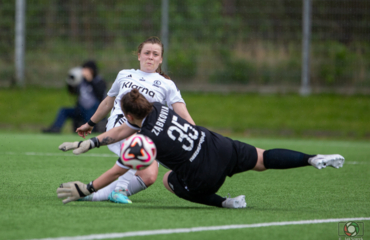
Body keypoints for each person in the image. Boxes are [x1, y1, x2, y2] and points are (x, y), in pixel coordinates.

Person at [57, 89, 345, 208]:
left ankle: (225, 202)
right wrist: (94, 141)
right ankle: (311, 158)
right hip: (218, 146)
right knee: (262, 157)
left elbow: (117, 169)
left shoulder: (143, 141)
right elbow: (125, 128)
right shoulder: (158, 106)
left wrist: (88, 188)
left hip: (202, 173)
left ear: (131, 115)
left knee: (169, 181)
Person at [73, 36, 195, 204]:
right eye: (146, 53)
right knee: (140, 151)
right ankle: (119, 190)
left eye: (155, 54)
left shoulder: (167, 84)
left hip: (145, 132)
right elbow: (108, 101)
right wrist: (90, 123)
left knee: (150, 175)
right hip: (120, 127)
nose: (150, 57)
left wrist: (199, 139)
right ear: (139, 55)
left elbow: (183, 114)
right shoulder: (125, 74)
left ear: (160, 59)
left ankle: (91, 194)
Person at [42, 60, 107, 133]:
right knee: (63, 111)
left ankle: (92, 130)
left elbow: (100, 95)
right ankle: (55, 128)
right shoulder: (82, 80)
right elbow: (72, 93)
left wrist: (90, 80)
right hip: (81, 109)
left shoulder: (99, 81)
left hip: (93, 110)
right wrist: (71, 82)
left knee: (90, 122)